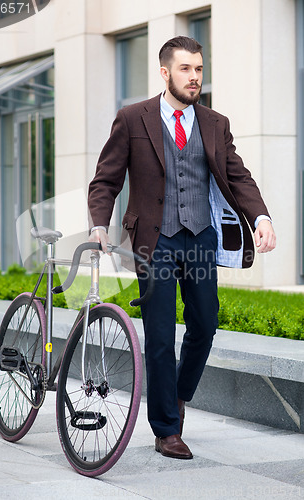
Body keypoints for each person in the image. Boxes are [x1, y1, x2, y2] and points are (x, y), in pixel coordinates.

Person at [88, 36, 276, 460]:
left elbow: (238, 176)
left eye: (199, 69)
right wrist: (100, 223)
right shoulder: (132, 118)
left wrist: (261, 217)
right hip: (154, 239)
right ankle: (166, 430)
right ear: (165, 72)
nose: (194, 77)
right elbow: (106, 179)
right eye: (186, 69)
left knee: (205, 327)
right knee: (158, 334)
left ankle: (176, 393)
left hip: (200, 236)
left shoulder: (214, 122)